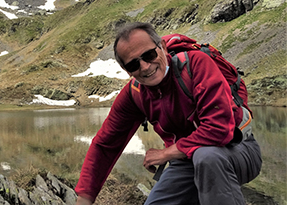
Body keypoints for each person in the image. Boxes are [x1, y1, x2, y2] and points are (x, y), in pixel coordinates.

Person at [75, 22, 262, 205]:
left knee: (206, 156)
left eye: (149, 55)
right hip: (186, 160)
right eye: (133, 65)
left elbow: (219, 128)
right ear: (127, 71)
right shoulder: (135, 93)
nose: (145, 67)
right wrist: (85, 198)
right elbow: (105, 144)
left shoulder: (196, 64)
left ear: (162, 47)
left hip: (236, 149)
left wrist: (166, 154)